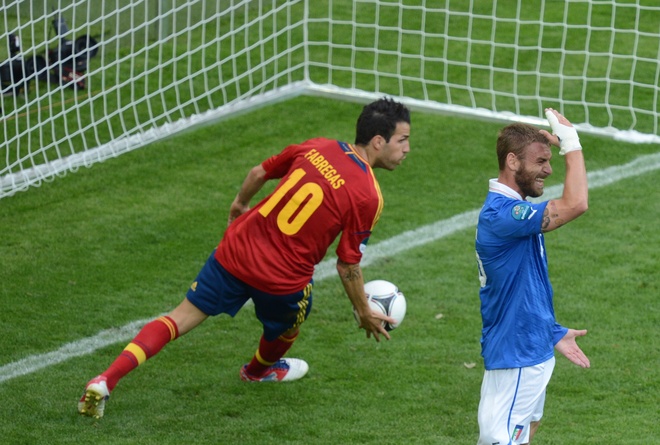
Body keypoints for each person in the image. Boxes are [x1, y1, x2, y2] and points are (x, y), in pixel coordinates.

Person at [78, 97, 411, 419]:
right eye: (403, 140)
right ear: (379, 141)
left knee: (177, 319)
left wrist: (239, 204)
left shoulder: (319, 146)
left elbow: (258, 172)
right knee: (293, 321)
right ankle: (257, 372)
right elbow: (347, 264)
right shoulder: (368, 195)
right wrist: (363, 311)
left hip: (236, 251)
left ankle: (105, 379)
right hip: (281, 281)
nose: (407, 149)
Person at [474, 108, 591, 444]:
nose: (548, 169)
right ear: (512, 162)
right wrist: (571, 142)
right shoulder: (504, 216)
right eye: (540, 161)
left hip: (523, 351)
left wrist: (550, 330)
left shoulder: (513, 213)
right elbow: (576, 203)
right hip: (517, 357)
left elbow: (525, 285)